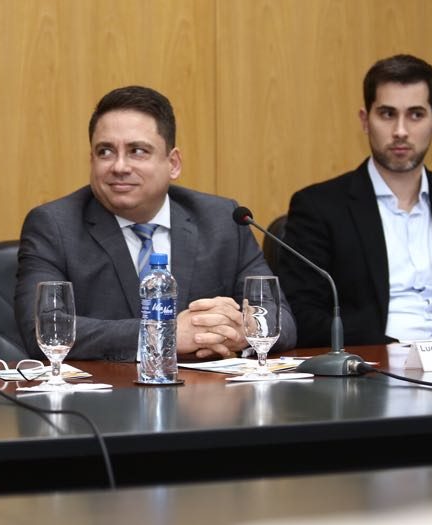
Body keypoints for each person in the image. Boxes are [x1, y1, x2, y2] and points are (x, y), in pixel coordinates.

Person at [15, 85, 296, 361]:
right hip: (107, 389)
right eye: (105, 151)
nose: (119, 166)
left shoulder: (222, 219)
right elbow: (43, 327)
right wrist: (164, 333)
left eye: (137, 151)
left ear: (173, 163)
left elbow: (281, 318)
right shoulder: (55, 225)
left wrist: (242, 330)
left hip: (205, 389)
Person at [279, 54, 432, 347]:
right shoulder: (319, 207)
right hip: (373, 365)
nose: (400, 131)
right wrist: (391, 352)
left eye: (416, 115)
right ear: (365, 120)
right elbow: (303, 315)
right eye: (387, 114)